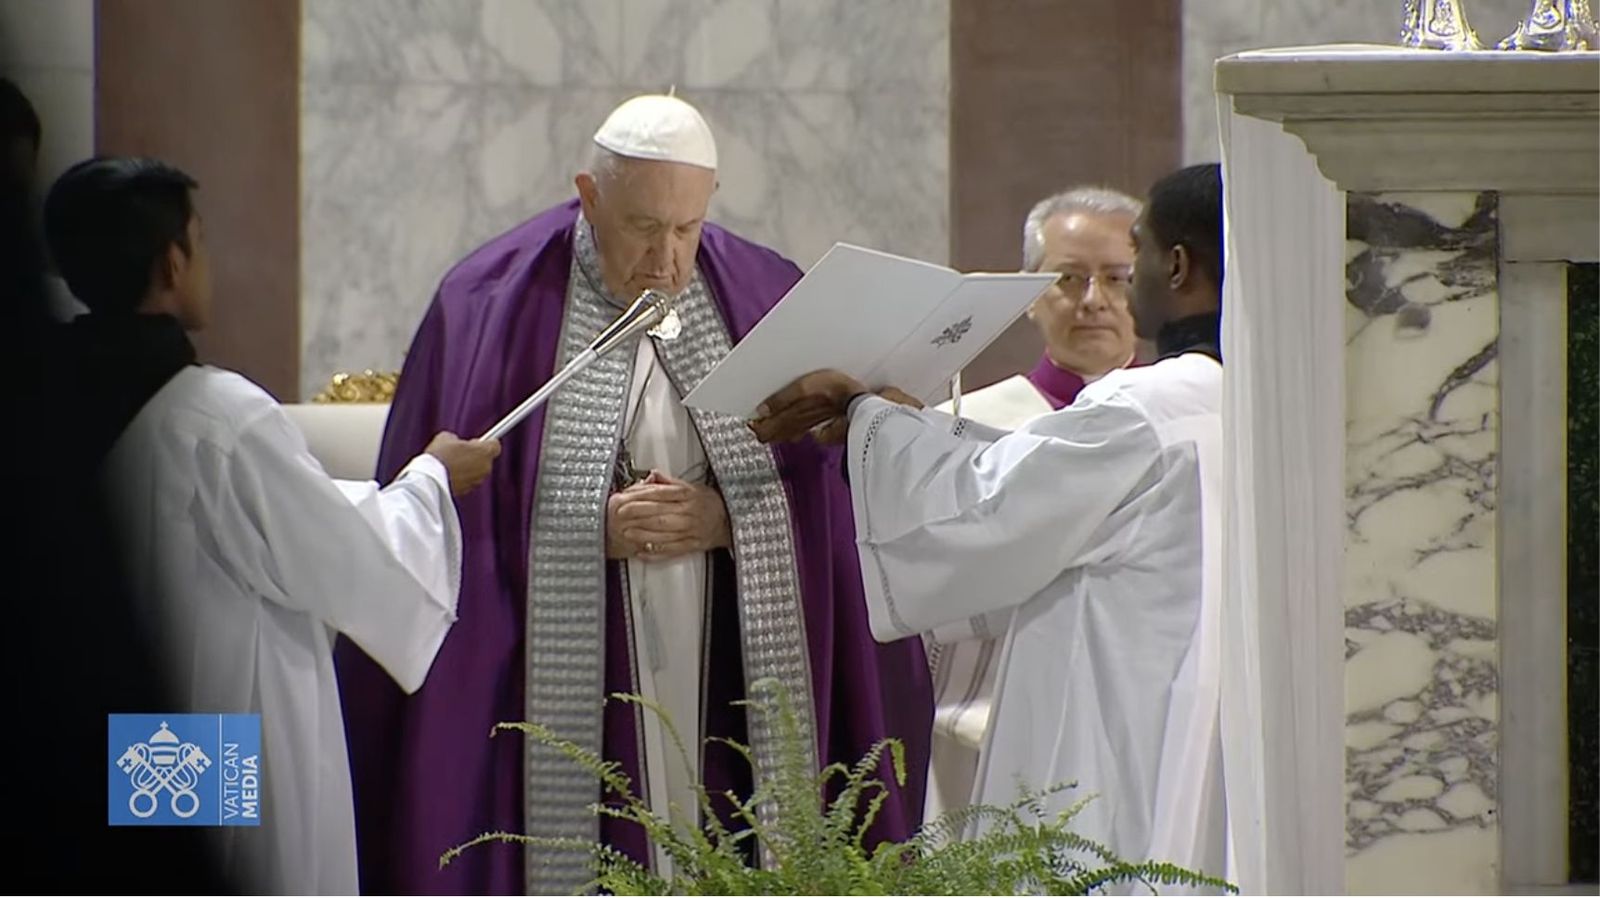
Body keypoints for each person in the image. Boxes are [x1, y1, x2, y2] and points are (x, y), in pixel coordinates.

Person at [334, 93, 934, 894]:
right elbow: (431, 508)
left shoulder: (766, 292)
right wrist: (578, 529)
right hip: (567, 663)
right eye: (644, 227)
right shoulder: (487, 301)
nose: (666, 260)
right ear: (589, 196)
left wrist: (731, 520)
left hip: (723, 648)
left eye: (688, 228)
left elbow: (827, 486)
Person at [750, 163, 1229, 878]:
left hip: (1109, 731)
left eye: (1134, 259)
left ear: (1178, 266)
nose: (1113, 292)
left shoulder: (1142, 408)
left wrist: (864, 417)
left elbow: (984, 510)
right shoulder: (1243, 401)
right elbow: (1025, 478)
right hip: (1189, 723)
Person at [43, 156, 502, 894]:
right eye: (199, 239)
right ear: (172, 263)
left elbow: (271, 519)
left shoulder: (45, 401)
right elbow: (346, 557)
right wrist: (432, 481)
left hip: (100, 727)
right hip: (212, 728)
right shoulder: (215, 418)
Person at [926, 185, 1144, 822]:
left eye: (1117, 278)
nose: (1093, 300)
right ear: (1028, 294)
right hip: (990, 734)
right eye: (1068, 279)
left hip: (1145, 727)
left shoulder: (1190, 422)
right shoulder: (959, 428)